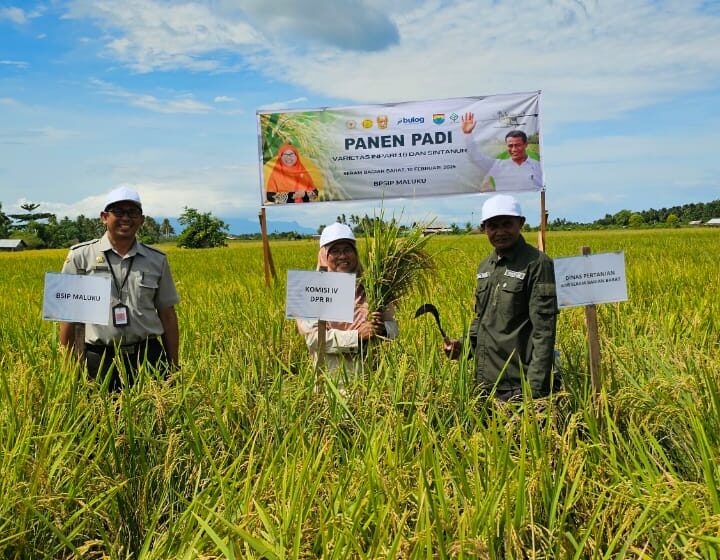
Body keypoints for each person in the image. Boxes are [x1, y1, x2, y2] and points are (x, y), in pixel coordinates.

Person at [59, 186, 180, 390]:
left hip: (148, 357)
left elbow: (167, 315)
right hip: (99, 359)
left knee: (155, 420)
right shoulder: (80, 257)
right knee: (99, 419)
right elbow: (68, 318)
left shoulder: (156, 260)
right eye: (118, 212)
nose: (126, 218)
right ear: (104, 217)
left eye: (132, 212)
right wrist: (68, 369)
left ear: (142, 220)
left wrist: (174, 365)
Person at [444, 195, 558, 400]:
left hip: (518, 384)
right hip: (485, 381)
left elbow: (544, 331)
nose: (500, 232)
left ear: (521, 223)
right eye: (493, 226)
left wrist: (535, 392)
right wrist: (463, 347)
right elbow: (481, 320)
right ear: (484, 228)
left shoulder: (537, 264)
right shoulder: (485, 266)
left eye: (507, 224)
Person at [296, 223, 398, 381]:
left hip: (375, 379)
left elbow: (395, 329)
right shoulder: (313, 289)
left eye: (347, 250)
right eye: (335, 251)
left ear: (355, 253)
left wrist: (381, 329)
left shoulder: (373, 287)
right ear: (324, 255)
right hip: (334, 383)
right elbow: (314, 339)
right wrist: (357, 336)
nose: (342, 256)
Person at [461, 112, 543, 192]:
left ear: (526, 145)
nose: (514, 149)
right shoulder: (496, 165)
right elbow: (476, 156)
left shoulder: (537, 166)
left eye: (517, 145)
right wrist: (468, 134)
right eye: (510, 146)